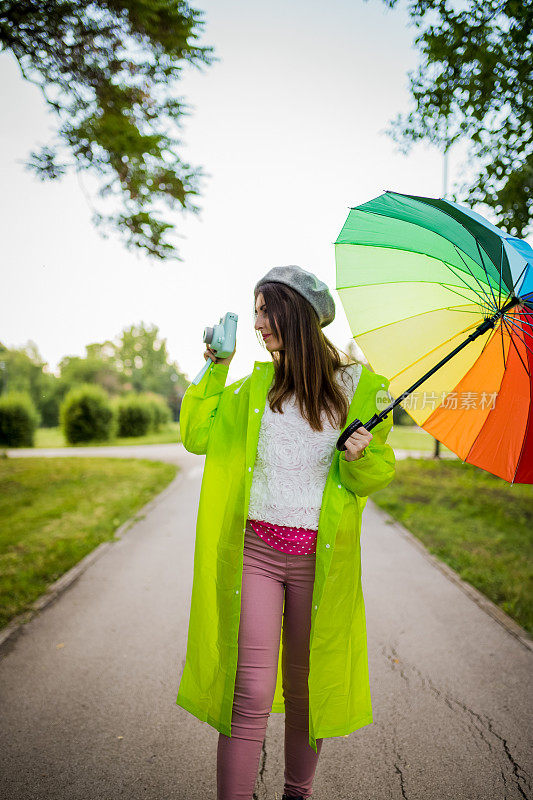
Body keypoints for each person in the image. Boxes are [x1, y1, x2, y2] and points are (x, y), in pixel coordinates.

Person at [176, 265, 396, 800]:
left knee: (305, 691)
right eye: (254, 311)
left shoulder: (360, 388)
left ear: (296, 313)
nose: (257, 322)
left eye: (265, 309)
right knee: (248, 688)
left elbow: (372, 476)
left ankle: (297, 794)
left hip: (318, 564)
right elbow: (196, 434)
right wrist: (215, 366)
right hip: (256, 553)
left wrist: (361, 455)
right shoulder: (256, 386)